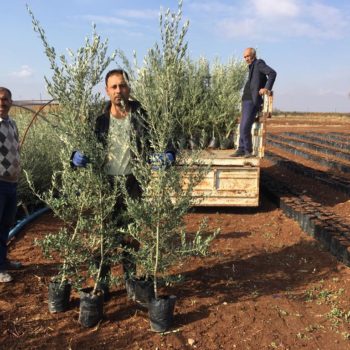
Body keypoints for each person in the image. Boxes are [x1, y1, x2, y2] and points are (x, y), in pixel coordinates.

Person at [72, 69, 175, 295]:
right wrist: (75, 156)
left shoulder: (142, 115)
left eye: (123, 85)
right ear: (107, 91)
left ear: (129, 88)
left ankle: (130, 280)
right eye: (114, 87)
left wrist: (168, 155)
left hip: (132, 183)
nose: (119, 90)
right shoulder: (98, 119)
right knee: (104, 235)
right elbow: (79, 142)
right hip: (104, 185)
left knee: (131, 234)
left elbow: (166, 138)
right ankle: (103, 281)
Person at [232, 48, 276, 157]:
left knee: (245, 126)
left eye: (248, 56)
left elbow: (272, 73)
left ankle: (247, 150)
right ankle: (241, 149)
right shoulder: (252, 67)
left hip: (252, 100)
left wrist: (266, 88)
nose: (246, 59)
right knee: (242, 125)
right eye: (245, 57)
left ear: (254, 55)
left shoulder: (258, 63)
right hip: (246, 99)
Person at [0, 87, 22, 283]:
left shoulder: (12, 124)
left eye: (6, 99)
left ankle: (3, 261)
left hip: (12, 182)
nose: (2, 102)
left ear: (11, 102)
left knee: (6, 224)